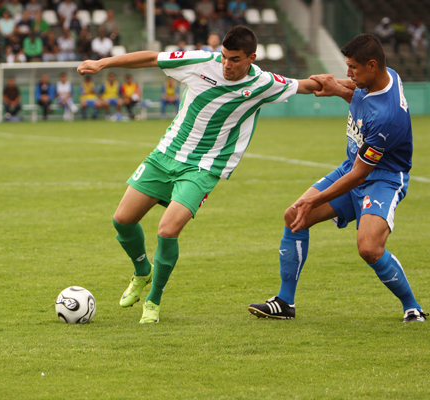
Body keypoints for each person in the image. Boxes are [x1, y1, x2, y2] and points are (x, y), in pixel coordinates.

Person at [77, 25, 324, 323]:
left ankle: (153, 301)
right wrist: (102, 64)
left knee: (167, 231)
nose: (226, 65)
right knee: (122, 221)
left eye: (234, 59)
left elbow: (310, 85)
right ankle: (143, 271)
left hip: (204, 168)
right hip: (165, 155)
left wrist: (353, 88)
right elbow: (152, 58)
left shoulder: (264, 83)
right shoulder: (199, 61)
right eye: (224, 57)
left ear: (251, 58)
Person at [247, 34, 427, 323]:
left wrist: (315, 199)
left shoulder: (387, 118)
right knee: (294, 215)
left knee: (369, 248)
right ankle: (284, 303)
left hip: (382, 179)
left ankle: (412, 307)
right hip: (353, 166)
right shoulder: (387, 75)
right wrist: (335, 89)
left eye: (353, 68)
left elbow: (360, 175)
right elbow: (360, 95)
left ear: (371, 65)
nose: (348, 74)